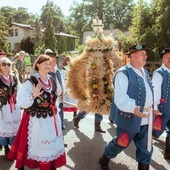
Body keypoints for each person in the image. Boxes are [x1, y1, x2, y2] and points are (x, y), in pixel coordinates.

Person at [99, 44, 154, 170]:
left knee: (146, 147)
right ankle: (105, 158)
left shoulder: (144, 72)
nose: (145, 56)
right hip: (130, 116)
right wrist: (134, 108)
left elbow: (150, 92)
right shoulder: (123, 73)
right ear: (132, 56)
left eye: (145, 54)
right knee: (121, 143)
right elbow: (120, 98)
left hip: (146, 117)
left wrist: (154, 108)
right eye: (142, 54)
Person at [7, 55, 66, 170]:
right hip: (36, 119)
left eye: (50, 64)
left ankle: (50, 163)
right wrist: (33, 94)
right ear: (38, 65)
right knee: (35, 145)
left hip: (51, 118)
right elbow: (21, 101)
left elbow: (58, 93)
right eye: (45, 63)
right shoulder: (31, 81)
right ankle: (35, 164)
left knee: (51, 144)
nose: (48, 66)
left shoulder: (52, 80)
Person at [0, 57, 21, 158]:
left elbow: (20, 90)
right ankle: (6, 148)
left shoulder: (15, 77)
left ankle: (13, 148)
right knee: (4, 128)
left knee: (14, 128)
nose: (6, 66)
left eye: (8, 64)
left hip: (15, 107)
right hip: (3, 107)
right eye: (3, 64)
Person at [152, 48, 170, 160]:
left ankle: (168, 151)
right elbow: (155, 93)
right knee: (155, 131)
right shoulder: (159, 73)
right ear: (163, 58)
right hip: (162, 109)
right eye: (167, 56)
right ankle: (145, 154)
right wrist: (155, 108)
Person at [45, 49, 66, 130]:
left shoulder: (57, 71)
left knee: (60, 120)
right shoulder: (45, 73)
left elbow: (61, 82)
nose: (53, 62)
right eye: (51, 60)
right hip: (52, 101)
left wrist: (63, 91)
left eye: (54, 60)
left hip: (60, 100)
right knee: (53, 123)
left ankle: (60, 139)